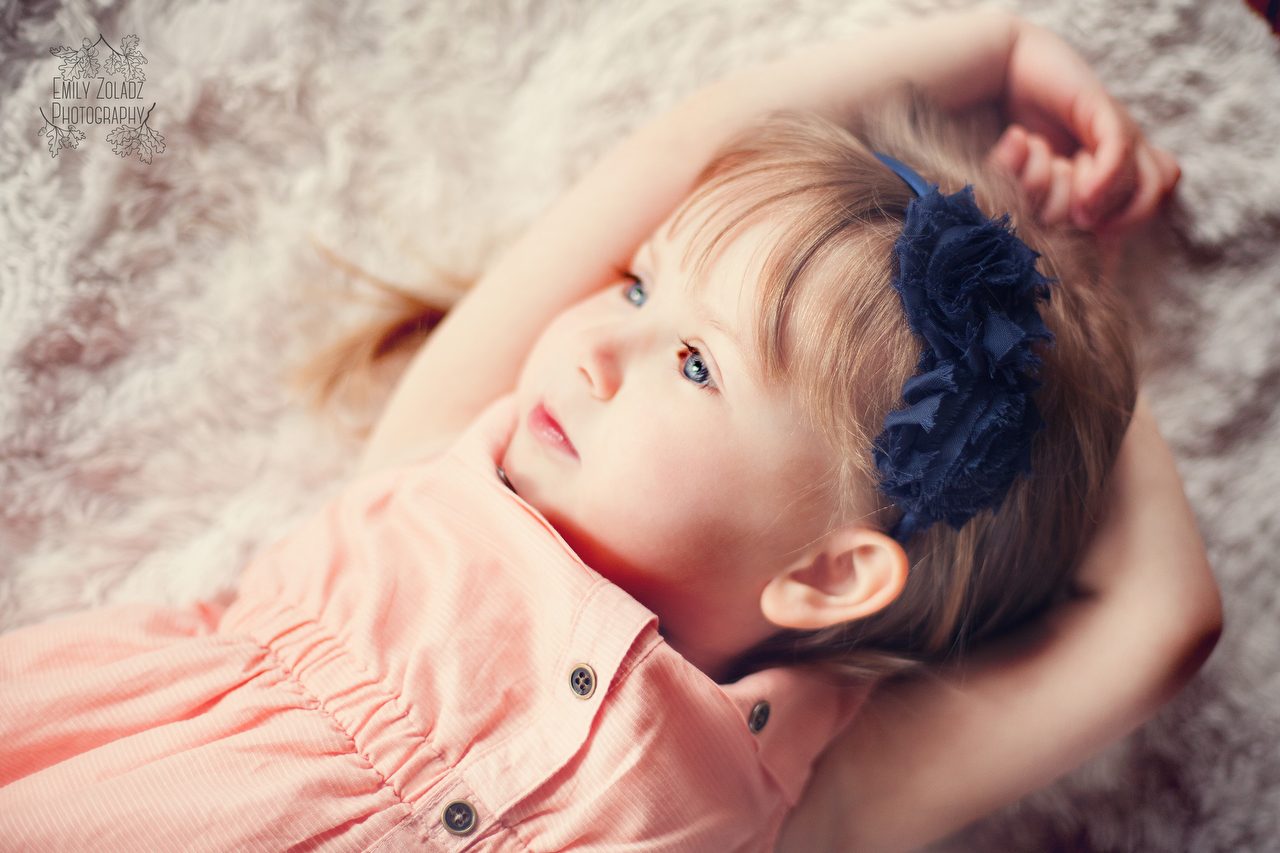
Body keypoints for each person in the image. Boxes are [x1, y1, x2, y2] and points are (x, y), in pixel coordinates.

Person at [0, 11, 1218, 853]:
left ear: (829, 572)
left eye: (694, 363)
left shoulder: (791, 785)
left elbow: (1162, 621)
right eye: (637, 286)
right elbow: (686, 147)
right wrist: (997, 47)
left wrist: (1051, 300)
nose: (593, 344)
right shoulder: (441, 467)